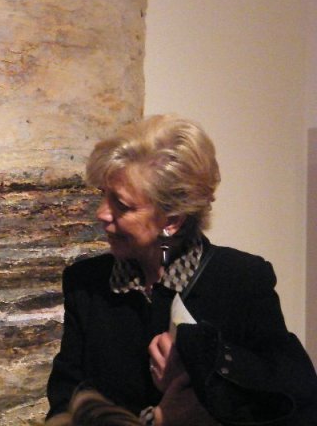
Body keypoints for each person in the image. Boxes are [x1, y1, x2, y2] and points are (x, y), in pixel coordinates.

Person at [46, 115, 317, 426]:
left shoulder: (241, 280)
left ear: (172, 221)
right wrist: (158, 419)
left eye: (122, 205)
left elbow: (296, 400)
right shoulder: (87, 283)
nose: (101, 213)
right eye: (103, 195)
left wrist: (206, 369)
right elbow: (65, 407)